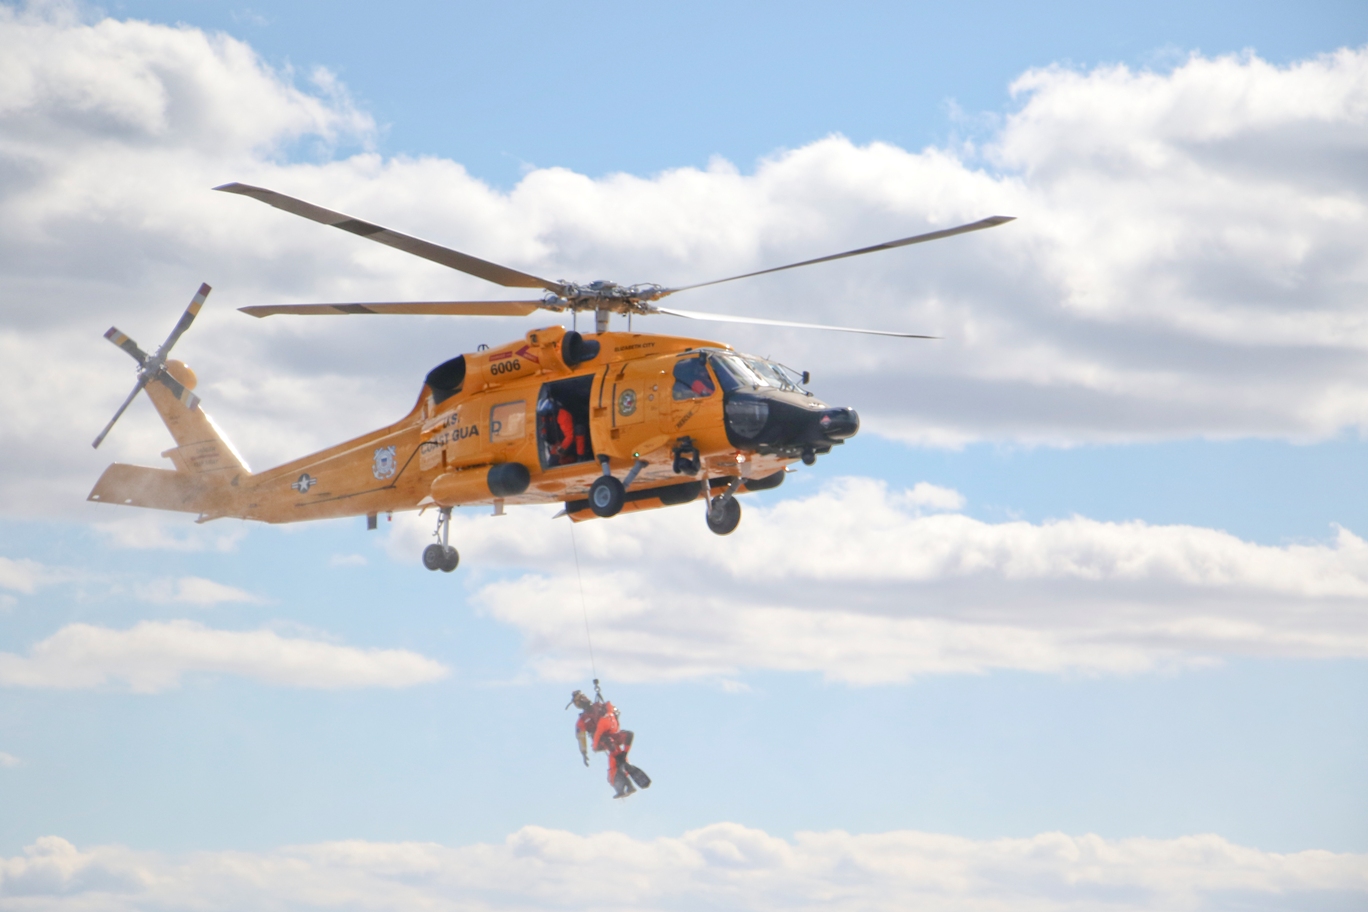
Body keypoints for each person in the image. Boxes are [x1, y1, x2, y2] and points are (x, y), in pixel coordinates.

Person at [569, 688, 651, 799]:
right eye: (580, 699)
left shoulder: (600, 706)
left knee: (628, 735)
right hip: (600, 741)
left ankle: (624, 761)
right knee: (609, 744)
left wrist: (611, 713)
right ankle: (623, 773)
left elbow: (616, 712)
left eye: (584, 696)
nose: (584, 699)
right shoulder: (582, 720)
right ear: (578, 704)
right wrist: (584, 752)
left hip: (612, 735)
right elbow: (581, 737)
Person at [539, 396, 585, 465]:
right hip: (557, 442)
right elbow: (544, 426)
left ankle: (580, 458)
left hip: (568, 442)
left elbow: (569, 436)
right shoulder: (546, 416)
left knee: (579, 429)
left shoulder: (563, 415)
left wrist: (562, 449)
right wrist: (544, 434)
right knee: (552, 462)